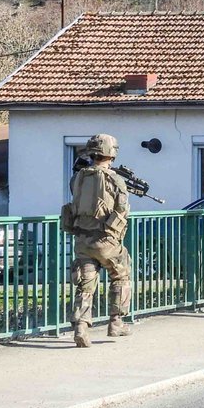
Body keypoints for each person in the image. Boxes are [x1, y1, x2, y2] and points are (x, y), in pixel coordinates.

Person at [62, 134, 133, 347]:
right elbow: (122, 208)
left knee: (85, 284)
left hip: (82, 238)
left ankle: (81, 326)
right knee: (121, 274)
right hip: (106, 240)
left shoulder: (78, 177)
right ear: (111, 153)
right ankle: (116, 322)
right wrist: (112, 231)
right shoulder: (115, 179)